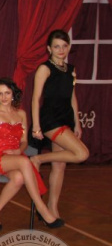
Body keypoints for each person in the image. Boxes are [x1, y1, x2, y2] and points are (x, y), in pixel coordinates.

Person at [0, 78, 64, 231]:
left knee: (19, 178)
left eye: (7, 93)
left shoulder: (21, 114)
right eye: (0, 94)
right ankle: (42, 208)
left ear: (13, 94)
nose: (4, 97)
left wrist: (18, 150)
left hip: (14, 156)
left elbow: (24, 142)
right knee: (24, 162)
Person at [30, 30, 89, 220]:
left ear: (69, 47)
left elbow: (72, 98)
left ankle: (51, 208)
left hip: (66, 119)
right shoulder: (44, 68)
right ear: (49, 48)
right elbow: (35, 98)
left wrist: (77, 123)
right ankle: (38, 159)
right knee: (82, 154)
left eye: (64, 46)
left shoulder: (70, 69)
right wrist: (36, 126)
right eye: (56, 46)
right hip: (50, 120)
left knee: (59, 165)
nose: (61, 50)